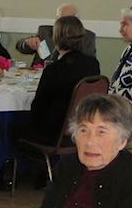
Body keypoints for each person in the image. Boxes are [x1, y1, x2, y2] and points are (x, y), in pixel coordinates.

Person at [21, 15, 102, 144]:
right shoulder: (93, 64)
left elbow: (37, 107)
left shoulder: (54, 69)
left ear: (56, 39)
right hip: (82, 127)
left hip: (53, 132)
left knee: (11, 127)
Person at [15, 3, 98, 61]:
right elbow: (20, 46)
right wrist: (27, 43)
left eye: (69, 21)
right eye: (61, 20)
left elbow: (89, 64)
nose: (64, 26)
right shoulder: (45, 32)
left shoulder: (87, 37)